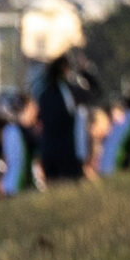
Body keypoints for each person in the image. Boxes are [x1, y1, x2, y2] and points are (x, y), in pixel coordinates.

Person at [31, 51, 98, 182]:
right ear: (65, 70)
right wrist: (85, 71)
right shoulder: (70, 92)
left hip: (49, 152)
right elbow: (95, 92)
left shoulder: (44, 94)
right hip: (68, 152)